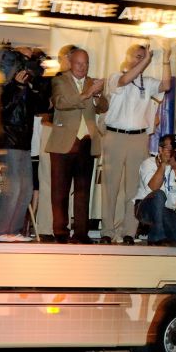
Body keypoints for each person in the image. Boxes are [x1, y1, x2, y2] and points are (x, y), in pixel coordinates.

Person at [100, 42, 172, 244]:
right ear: (128, 57)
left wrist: (166, 59)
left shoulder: (146, 82)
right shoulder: (115, 77)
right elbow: (125, 79)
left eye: (144, 57)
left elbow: (166, 85)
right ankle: (107, 231)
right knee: (110, 186)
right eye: (138, 56)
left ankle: (128, 232)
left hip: (139, 137)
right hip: (115, 136)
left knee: (134, 189)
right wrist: (147, 60)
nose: (142, 60)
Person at [45, 47, 108, 244]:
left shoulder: (92, 82)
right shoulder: (59, 80)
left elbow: (103, 107)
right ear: (71, 63)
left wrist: (97, 97)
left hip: (86, 142)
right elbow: (61, 103)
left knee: (83, 191)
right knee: (60, 191)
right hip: (64, 142)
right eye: (79, 63)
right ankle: (60, 231)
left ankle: (81, 233)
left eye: (86, 63)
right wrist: (87, 94)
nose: (83, 67)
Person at [0, 57, 45, 242]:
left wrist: (33, 85)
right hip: (9, 143)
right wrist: (18, 87)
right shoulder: (5, 88)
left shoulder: (28, 87)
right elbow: (4, 110)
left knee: (26, 189)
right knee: (13, 188)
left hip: (24, 143)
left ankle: (13, 229)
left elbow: (42, 107)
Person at [133, 134, 176, 246]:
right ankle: (156, 237)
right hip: (145, 208)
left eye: (175, 149)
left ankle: (164, 237)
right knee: (159, 194)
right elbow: (154, 187)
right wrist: (163, 164)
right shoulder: (149, 163)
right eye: (169, 149)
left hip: (166, 210)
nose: (172, 152)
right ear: (160, 149)